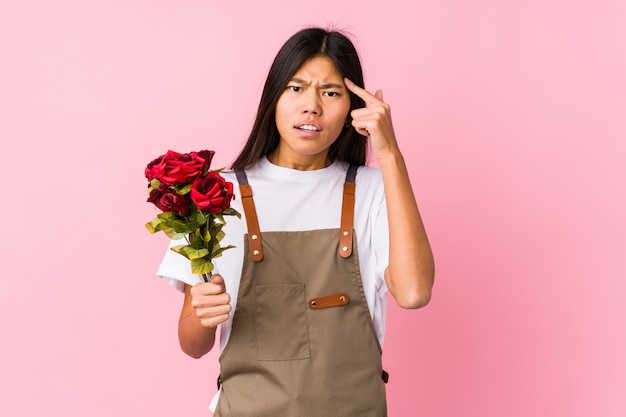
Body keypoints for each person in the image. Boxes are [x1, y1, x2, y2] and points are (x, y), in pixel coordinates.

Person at [156, 27, 434, 416]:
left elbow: (415, 292)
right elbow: (193, 344)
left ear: (355, 106)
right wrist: (203, 314)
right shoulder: (217, 194)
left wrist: (390, 156)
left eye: (331, 92)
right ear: (273, 97)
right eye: (297, 88)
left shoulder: (375, 190)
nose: (312, 107)